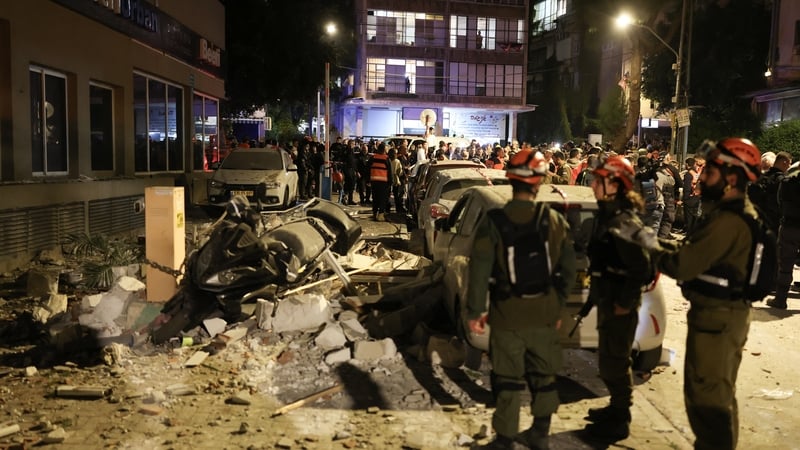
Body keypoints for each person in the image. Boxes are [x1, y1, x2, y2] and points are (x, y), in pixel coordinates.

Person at [615, 137, 762, 449]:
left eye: (710, 172)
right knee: (717, 393)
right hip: (717, 318)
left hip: (719, 321)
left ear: (731, 179)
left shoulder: (729, 221)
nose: (702, 177)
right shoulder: (726, 215)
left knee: (708, 400)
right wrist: (646, 238)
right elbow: (688, 249)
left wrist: (645, 245)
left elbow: (682, 263)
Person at [466, 149, 576, 449]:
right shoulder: (554, 221)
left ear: (510, 179)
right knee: (544, 375)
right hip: (543, 313)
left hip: (506, 314)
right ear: (538, 180)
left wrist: (475, 311)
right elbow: (569, 269)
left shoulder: (493, 222)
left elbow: (479, 270)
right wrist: (558, 304)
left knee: (506, 379)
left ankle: (504, 438)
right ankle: (540, 433)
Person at [583, 155, 654, 441]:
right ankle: (615, 407)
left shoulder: (624, 221)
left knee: (616, 361)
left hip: (619, 305)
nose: (593, 185)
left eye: (599, 180)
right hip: (608, 299)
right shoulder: (608, 215)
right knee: (608, 360)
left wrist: (625, 302)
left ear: (614, 185)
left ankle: (620, 418)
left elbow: (642, 268)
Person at [766, 160, 800, 310]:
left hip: (789, 226)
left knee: (785, 265)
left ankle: (780, 299)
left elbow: (780, 202)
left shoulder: (786, 183)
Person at [748, 151, 791, 233]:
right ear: (784, 162)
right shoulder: (782, 180)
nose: (789, 167)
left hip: (758, 219)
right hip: (775, 222)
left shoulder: (760, 178)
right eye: (789, 164)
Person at [369, 143, 391, 221]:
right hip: (383, 182)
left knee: (375, 198)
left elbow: (368, 168)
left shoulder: (373, 157)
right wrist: (390, 183)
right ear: (384, 150)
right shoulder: (386, 158)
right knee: (382, 199)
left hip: (374, 181)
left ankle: (374, 214)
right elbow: (389, 171)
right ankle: (381, 215)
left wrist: (368, 180)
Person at [682, 157, 702, 234]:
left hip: (689, 198)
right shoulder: (696, 173)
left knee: (689, 218)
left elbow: (687, 187)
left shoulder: (688, 174)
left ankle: (688, 233)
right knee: (694, 217)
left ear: (687, 164)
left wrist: (685, 199)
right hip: (696, 197)